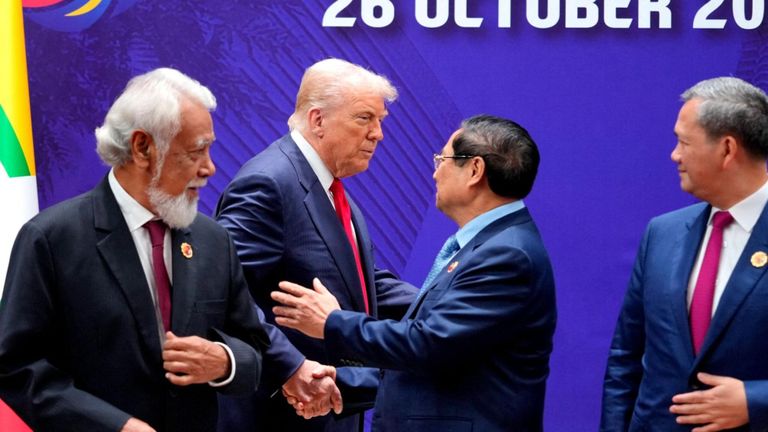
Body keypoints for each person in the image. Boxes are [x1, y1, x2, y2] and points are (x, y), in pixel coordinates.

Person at [0, 68, 338, 432]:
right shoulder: (52, 239)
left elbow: (254, 347)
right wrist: (116, 427)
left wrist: (225, 362)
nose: (210, 168)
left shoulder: (213, 241)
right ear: (142, 148)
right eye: (196, 151)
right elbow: (17, 368)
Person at [271, 115, 557, 432]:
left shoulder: (505, 255)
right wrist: (343, 382)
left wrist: (331, 322)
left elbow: (428, 344)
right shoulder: (488, 245)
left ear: (474, 170)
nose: (435, 172)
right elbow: (449, 363)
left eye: (443, 159)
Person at [215, 58, 418, 432]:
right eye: (364, 119)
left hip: (331, 413)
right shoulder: (268, 183)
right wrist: (290, 366)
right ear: (317, 120)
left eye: (379, 121)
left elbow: (362, 282)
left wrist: (442, 305)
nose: (378, 134)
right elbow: (222, 292)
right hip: (281, 414)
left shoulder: (329, 186)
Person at [601, 77, 768, 431]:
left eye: (683, 141)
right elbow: (625, 360)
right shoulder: (663, 234)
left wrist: (755, 401)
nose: (674, 154)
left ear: (726, 149)